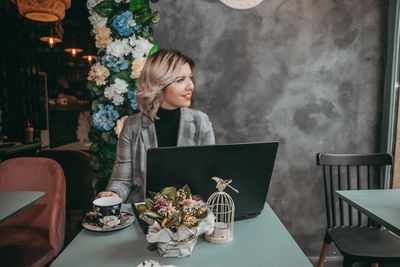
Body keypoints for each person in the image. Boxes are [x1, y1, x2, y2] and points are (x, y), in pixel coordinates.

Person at [96, 48, 215, 203]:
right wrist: (112, 194)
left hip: (188, 217)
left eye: (190, 78)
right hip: (144, 214)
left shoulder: (200, 122)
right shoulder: (132, 126)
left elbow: (208, 178)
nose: (190, 86)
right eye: (180, 80)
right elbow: (122, 181)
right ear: (159, 84)